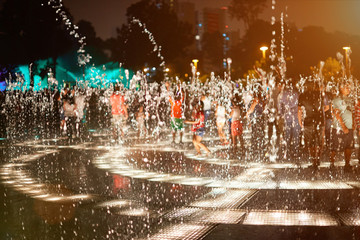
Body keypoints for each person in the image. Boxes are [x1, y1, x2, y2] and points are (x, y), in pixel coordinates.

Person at [298, 80, 325, 168]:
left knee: (311, 143)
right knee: (319, 141)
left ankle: (314, 160)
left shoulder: (302, 95)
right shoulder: (319, 94)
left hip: (308, 121)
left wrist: (300, 122)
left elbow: (299, 110)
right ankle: (318, 158)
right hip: (319, 121)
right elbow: (323, 108)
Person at [330, 82, 354, 169]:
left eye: (349, 86)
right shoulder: (336, 100)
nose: (348, 88)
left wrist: (353, 124)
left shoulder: (351, 99)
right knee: (335, 147)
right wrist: (343, 127)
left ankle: (347, 164)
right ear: (340, 88)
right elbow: (336, 114)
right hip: (338, 127)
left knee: (348, 146)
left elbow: (352, 112)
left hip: (349, 127)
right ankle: (332, 164)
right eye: (346, 87)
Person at [278, 79, 301, 163]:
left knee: (287, 135)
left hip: (287, 116)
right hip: (295, 116)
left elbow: (280, 105)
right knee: (296, 135)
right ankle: (296, 152)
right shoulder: (297, 93)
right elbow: (300, 105)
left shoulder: (283, 94)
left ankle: (287, 151)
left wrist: (280, 114)